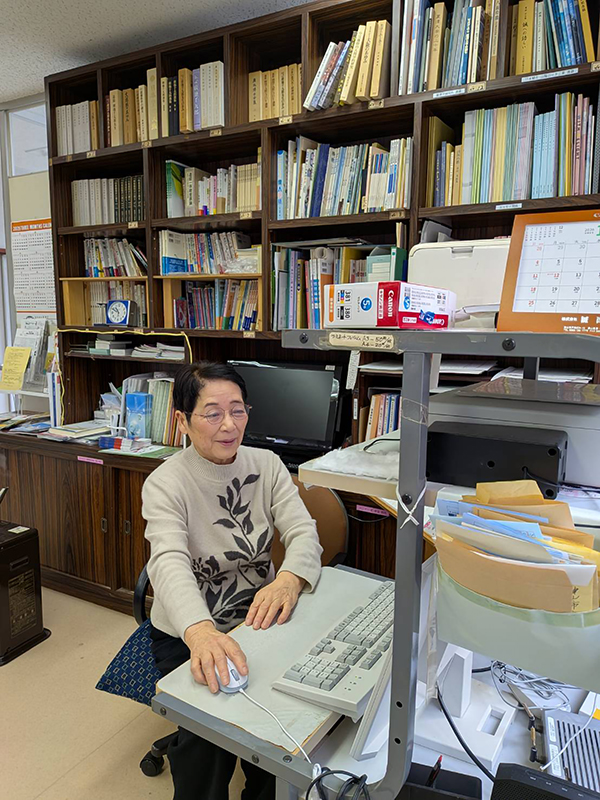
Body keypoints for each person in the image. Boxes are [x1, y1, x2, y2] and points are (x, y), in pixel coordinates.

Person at [143, 361, 323, 800]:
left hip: (260, 618)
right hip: (189, 630)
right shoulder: (166, 483)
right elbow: (168, 561)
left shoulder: (267, 464)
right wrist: (200, 632)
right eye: (212, 413)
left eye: (238, 410)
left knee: (285, 727)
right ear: (182, 421)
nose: (229, 425)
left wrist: (289, 579)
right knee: (208, 737)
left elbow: (303, 531)